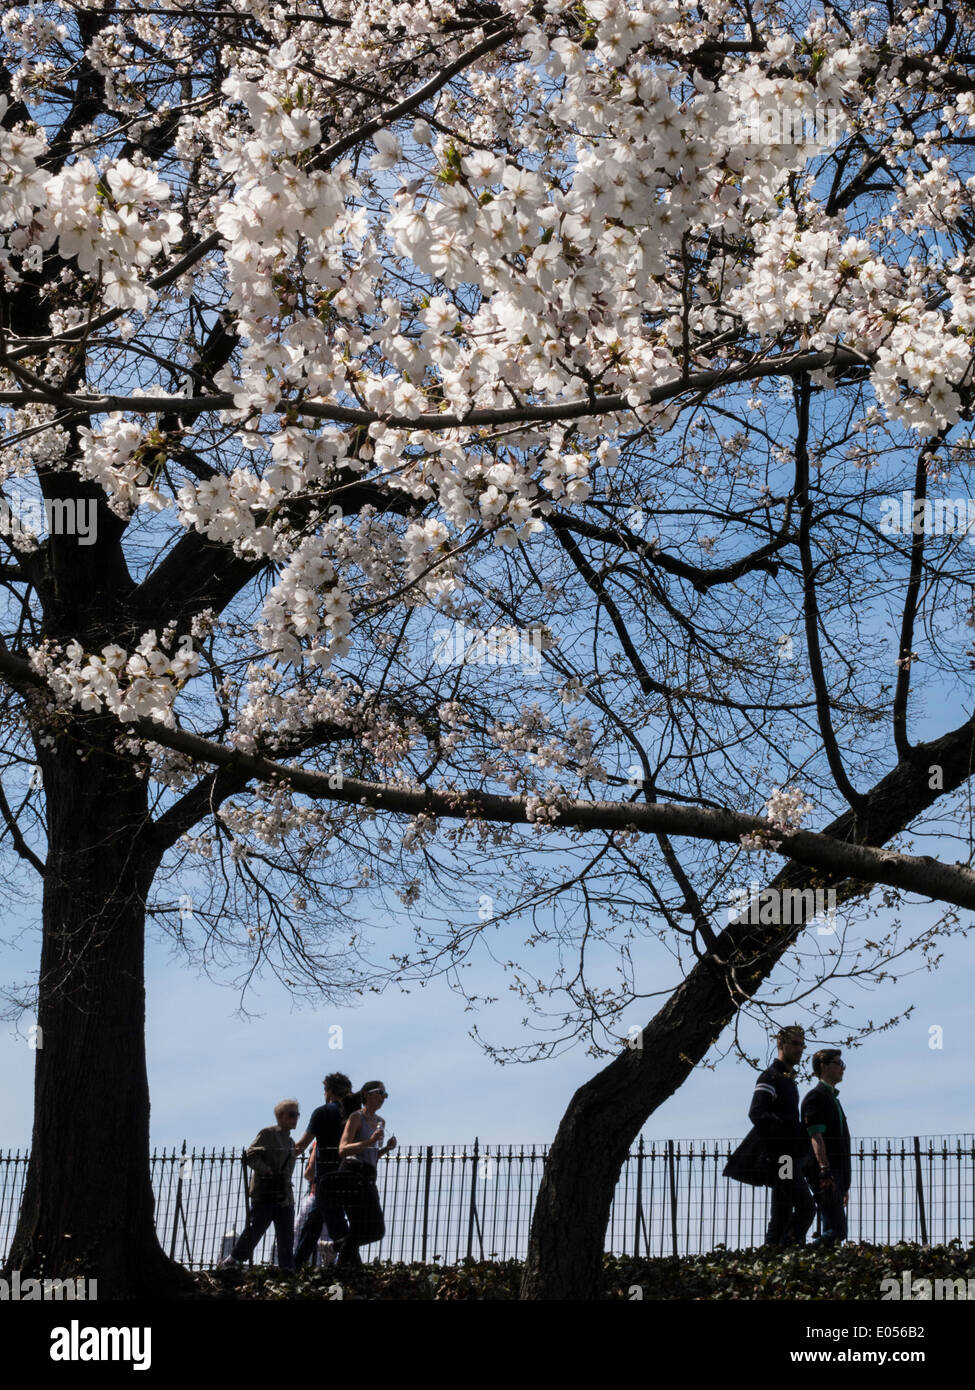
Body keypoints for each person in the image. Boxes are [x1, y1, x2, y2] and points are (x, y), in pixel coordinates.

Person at [748, 1025, 815, 1247]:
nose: (800, 1049)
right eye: (795, 1044)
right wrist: (785, 1133)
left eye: (802, 1044)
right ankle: (788, 1246)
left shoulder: (786, 1079)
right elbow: (756, 1112)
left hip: (786, 1155)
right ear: (780, 1044)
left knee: (782, 1211)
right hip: (782, 1157)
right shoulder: (771, 1076)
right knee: (805, 1206)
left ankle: (776, 1252)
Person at [223, 1099, 300, 1269]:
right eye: (292, 1114)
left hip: (284, 1195)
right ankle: (233, 1260)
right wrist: (266, 1170)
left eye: (297, 1114)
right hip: (265, 1193)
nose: (296, 1118)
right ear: (281, 1116)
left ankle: (287, 1270)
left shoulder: (291, 1143)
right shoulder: (268, 1133)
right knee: (255, 1229)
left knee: (286, 1235)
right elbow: (250, 1155)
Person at [293, 1072, 353, 1268]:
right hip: (347, 1174)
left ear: (328, 1091)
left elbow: (302, 1144)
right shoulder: (354, 1116)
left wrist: (283, 1156)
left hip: (325, 1176)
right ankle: (297, 1262)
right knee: (315, 1221)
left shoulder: (321, 1113)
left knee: (332, 1223)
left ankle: (350, 1261)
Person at [335, 1080, 397, 1267]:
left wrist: (386, 1148)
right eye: (380, 1093)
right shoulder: (356, 1117)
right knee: (360, 1226)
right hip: (352, 1174)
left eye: (385, 1095)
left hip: (368, 1175)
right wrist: (369, 1141)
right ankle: (341, 1270)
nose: (383, 1098)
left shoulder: (380, 1122)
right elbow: (343, 1149)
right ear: (367, 1094)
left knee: (377, 1230)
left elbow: (372, 1155)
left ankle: (336, 1247)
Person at [802, 1049, 852, 1245]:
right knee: (835, 1230)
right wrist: (825, 1171)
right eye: (838, 1063)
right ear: (823, 1066)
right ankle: (802, 1260)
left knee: (836, 1230)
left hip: (836, 1175)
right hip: (827, 1174)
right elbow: (816, 1136)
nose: (842, 1068)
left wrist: (844, 1185)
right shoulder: (816, 1097)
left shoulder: (832, 1099)